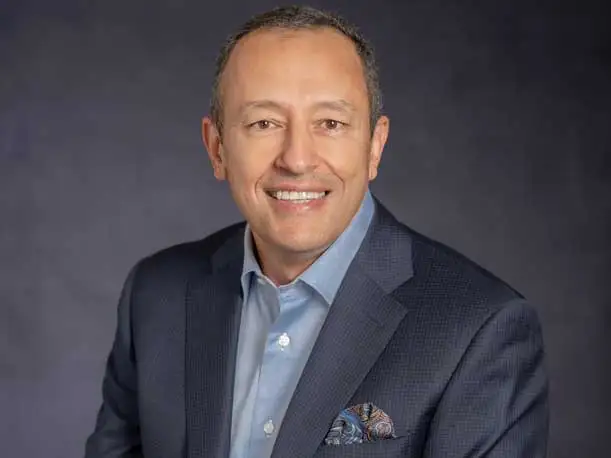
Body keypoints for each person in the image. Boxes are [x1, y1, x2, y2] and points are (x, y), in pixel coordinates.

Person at [84, 5, 549, 458]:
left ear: (374, 146)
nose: (297, 159)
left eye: (330, 123)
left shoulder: (480, 328)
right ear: (217, 147)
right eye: (264, 123)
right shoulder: (156, 293)